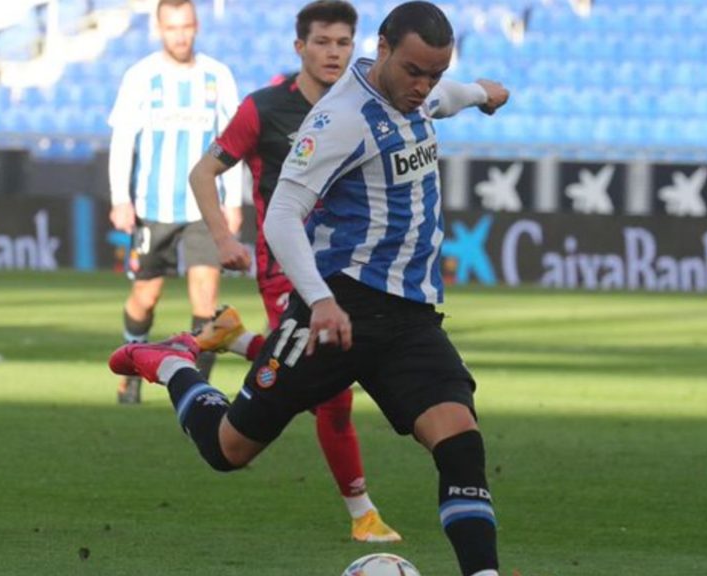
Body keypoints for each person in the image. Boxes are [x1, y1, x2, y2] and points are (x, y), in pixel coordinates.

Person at [110, 2, 509, 574]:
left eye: (434, 74)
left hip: (411, 319)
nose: (423, 86)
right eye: (415, 71)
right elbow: (281, 216)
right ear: (386, 49)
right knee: (230, 449)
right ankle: (174, 364)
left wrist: (481, 92)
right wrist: (320, 300)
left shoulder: (416, 96)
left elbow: (444, 102)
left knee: (461, 444)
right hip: (339, 310)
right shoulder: (339, 119)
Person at [189, 0, 408, 543]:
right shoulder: (263, 109)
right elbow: (203, 172)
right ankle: (362, 514)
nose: (333, 53)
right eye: (322, 42)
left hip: (349, 271)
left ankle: (238, 340)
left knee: (325, 371)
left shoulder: (367, 107)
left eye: (342, 43)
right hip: (288, 272)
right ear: (300, 48)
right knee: (332, 393)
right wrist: (223, 238)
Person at [107, 0, 242, 404]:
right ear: (159, 29)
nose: (179, 35)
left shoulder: (217, 76)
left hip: (206, 209)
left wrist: (232, 201)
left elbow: (232, 143)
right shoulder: (141, 76)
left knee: (205, 297)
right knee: (145, 297)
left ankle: (195, 391)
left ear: (196, 26)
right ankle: (133, 364)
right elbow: (122, 140)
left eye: (185, 26)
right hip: (153, 205)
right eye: (171, 27)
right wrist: (120, 198)